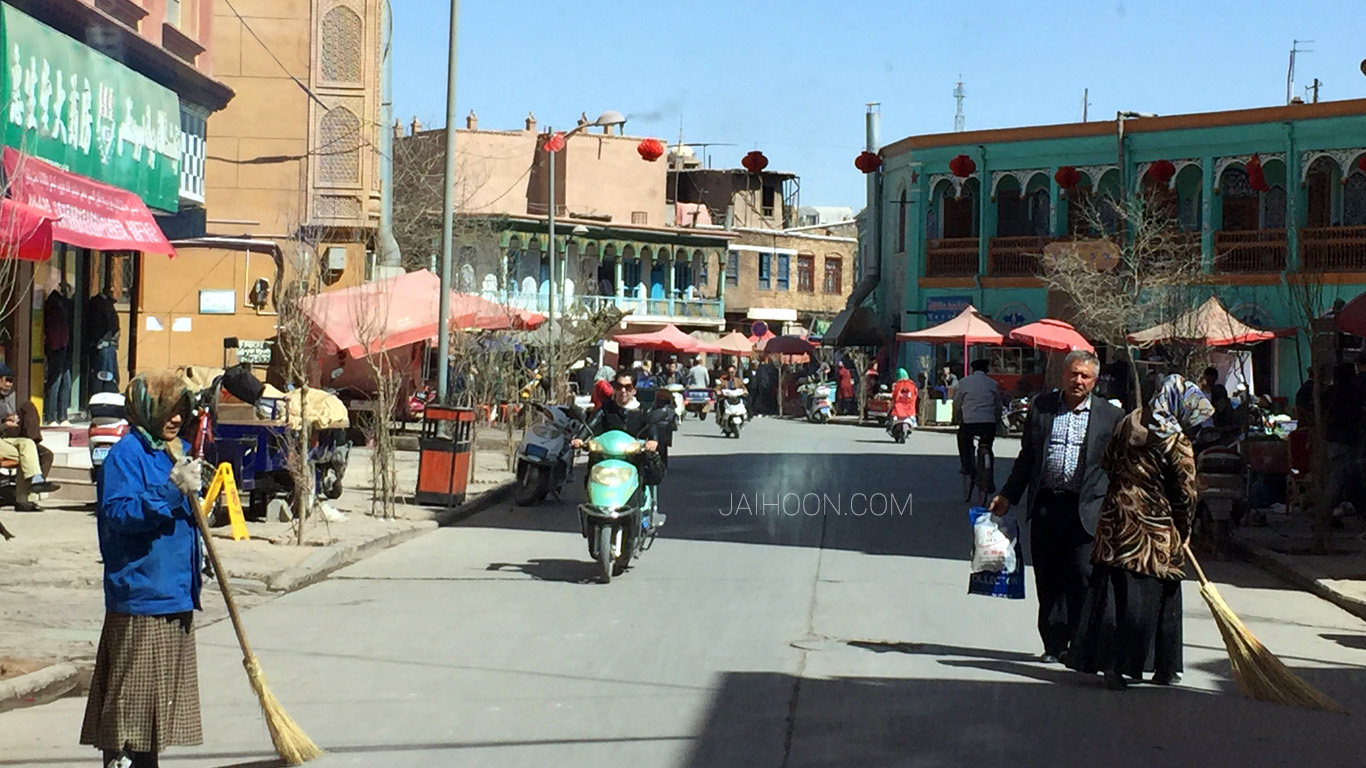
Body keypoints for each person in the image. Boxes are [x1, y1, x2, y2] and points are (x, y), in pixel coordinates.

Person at [81, 370, 207, 767]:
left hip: (175, 592)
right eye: (169, 410)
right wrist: (172, 491)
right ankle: (119, 760)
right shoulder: (126, 456)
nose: (176, 419)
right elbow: (120, 514)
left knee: (156, 705)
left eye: (181, 411)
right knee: (131, 701)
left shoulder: (176, 450)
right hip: (140, 594)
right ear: (146, 409)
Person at [1067, 374, 1207, 690]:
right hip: (1155, 532)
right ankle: (1163, 667)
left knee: (1113, 597)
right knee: (1159, 597)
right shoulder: (1175, 441)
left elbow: (1107, 462)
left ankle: (1110, 664)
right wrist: (1184, 530)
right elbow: (1186, 493)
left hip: (1117, 523)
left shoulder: (1130, 422)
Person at [991, 349, 1125, 663]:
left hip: (1087, 510)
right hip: (1047, 506)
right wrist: (1008, 494)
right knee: (1049, 578)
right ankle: (1053, 643)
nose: (1078, 380)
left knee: (1081, 574)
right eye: (1073, 374)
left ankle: (1078, 645)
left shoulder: (1111, 416)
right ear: (1063, 376)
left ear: (1094, 381)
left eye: (1085, 376)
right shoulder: (1042, 408)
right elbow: (1027, 458)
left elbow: (1119, 466)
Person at [0, 363, 60, 511]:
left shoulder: (6, 399)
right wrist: (6, 425)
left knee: (31, 447)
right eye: (6, 379)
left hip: (6, 439)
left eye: (11, 380)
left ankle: (34, 483)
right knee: (27, 453)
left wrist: (12, 420)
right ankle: (25, 499)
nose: (9, 384)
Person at [953, 359, 1003, 487]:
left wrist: (956, 417)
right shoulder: (993, 384)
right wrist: (997, 419)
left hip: (969, 422)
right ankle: (989, 478)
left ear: (972, 370)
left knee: (964, 439)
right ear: (986, 370)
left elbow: (957, 403)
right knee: (987, 446)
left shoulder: (964, 383)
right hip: (988, 423)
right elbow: (998, 405)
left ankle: (967, 466)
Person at [43, 281, 74, 424]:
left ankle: (62, 415)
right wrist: (56, 345)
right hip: (56, 347)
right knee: (56, 380)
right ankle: (51, 416)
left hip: (62, 346)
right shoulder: (54, 303)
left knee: (66, 381)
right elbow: (53, 327)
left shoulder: (61, 304)